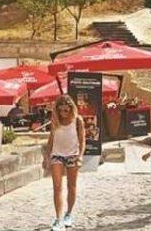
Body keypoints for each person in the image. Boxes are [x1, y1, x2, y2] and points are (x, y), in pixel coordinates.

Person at [43, 95, 85, 231]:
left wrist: (80, 156)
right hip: (57, 156)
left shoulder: (78, 121)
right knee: (57, 187)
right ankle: (58, 218)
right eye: (61, 110)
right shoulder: (55, 120)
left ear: (71, 109)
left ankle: (69, 214)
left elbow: (82, 140)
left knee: (71, 186)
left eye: (66, 110)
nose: (63, 113)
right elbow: (51, 140)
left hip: (73, 156)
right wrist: (46, 157)